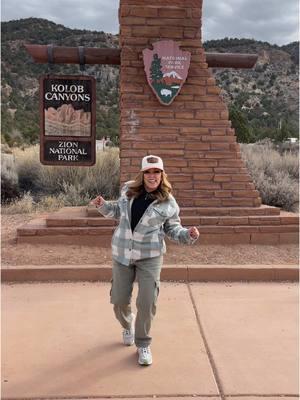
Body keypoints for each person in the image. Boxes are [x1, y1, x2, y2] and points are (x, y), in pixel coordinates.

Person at [90, 155, 199, 366]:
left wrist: (189, 234)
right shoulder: (128, 190)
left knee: (147, 301)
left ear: (162, 174)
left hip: (150, 255)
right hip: (122, 253)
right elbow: (116, 211)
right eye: (148, 172)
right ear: (142, 174)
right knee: (119, 300)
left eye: (156, 172)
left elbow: (172, 229)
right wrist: (102, 205)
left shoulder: (168, 202)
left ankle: (143, 344)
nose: (152, 176)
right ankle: (127, 325)